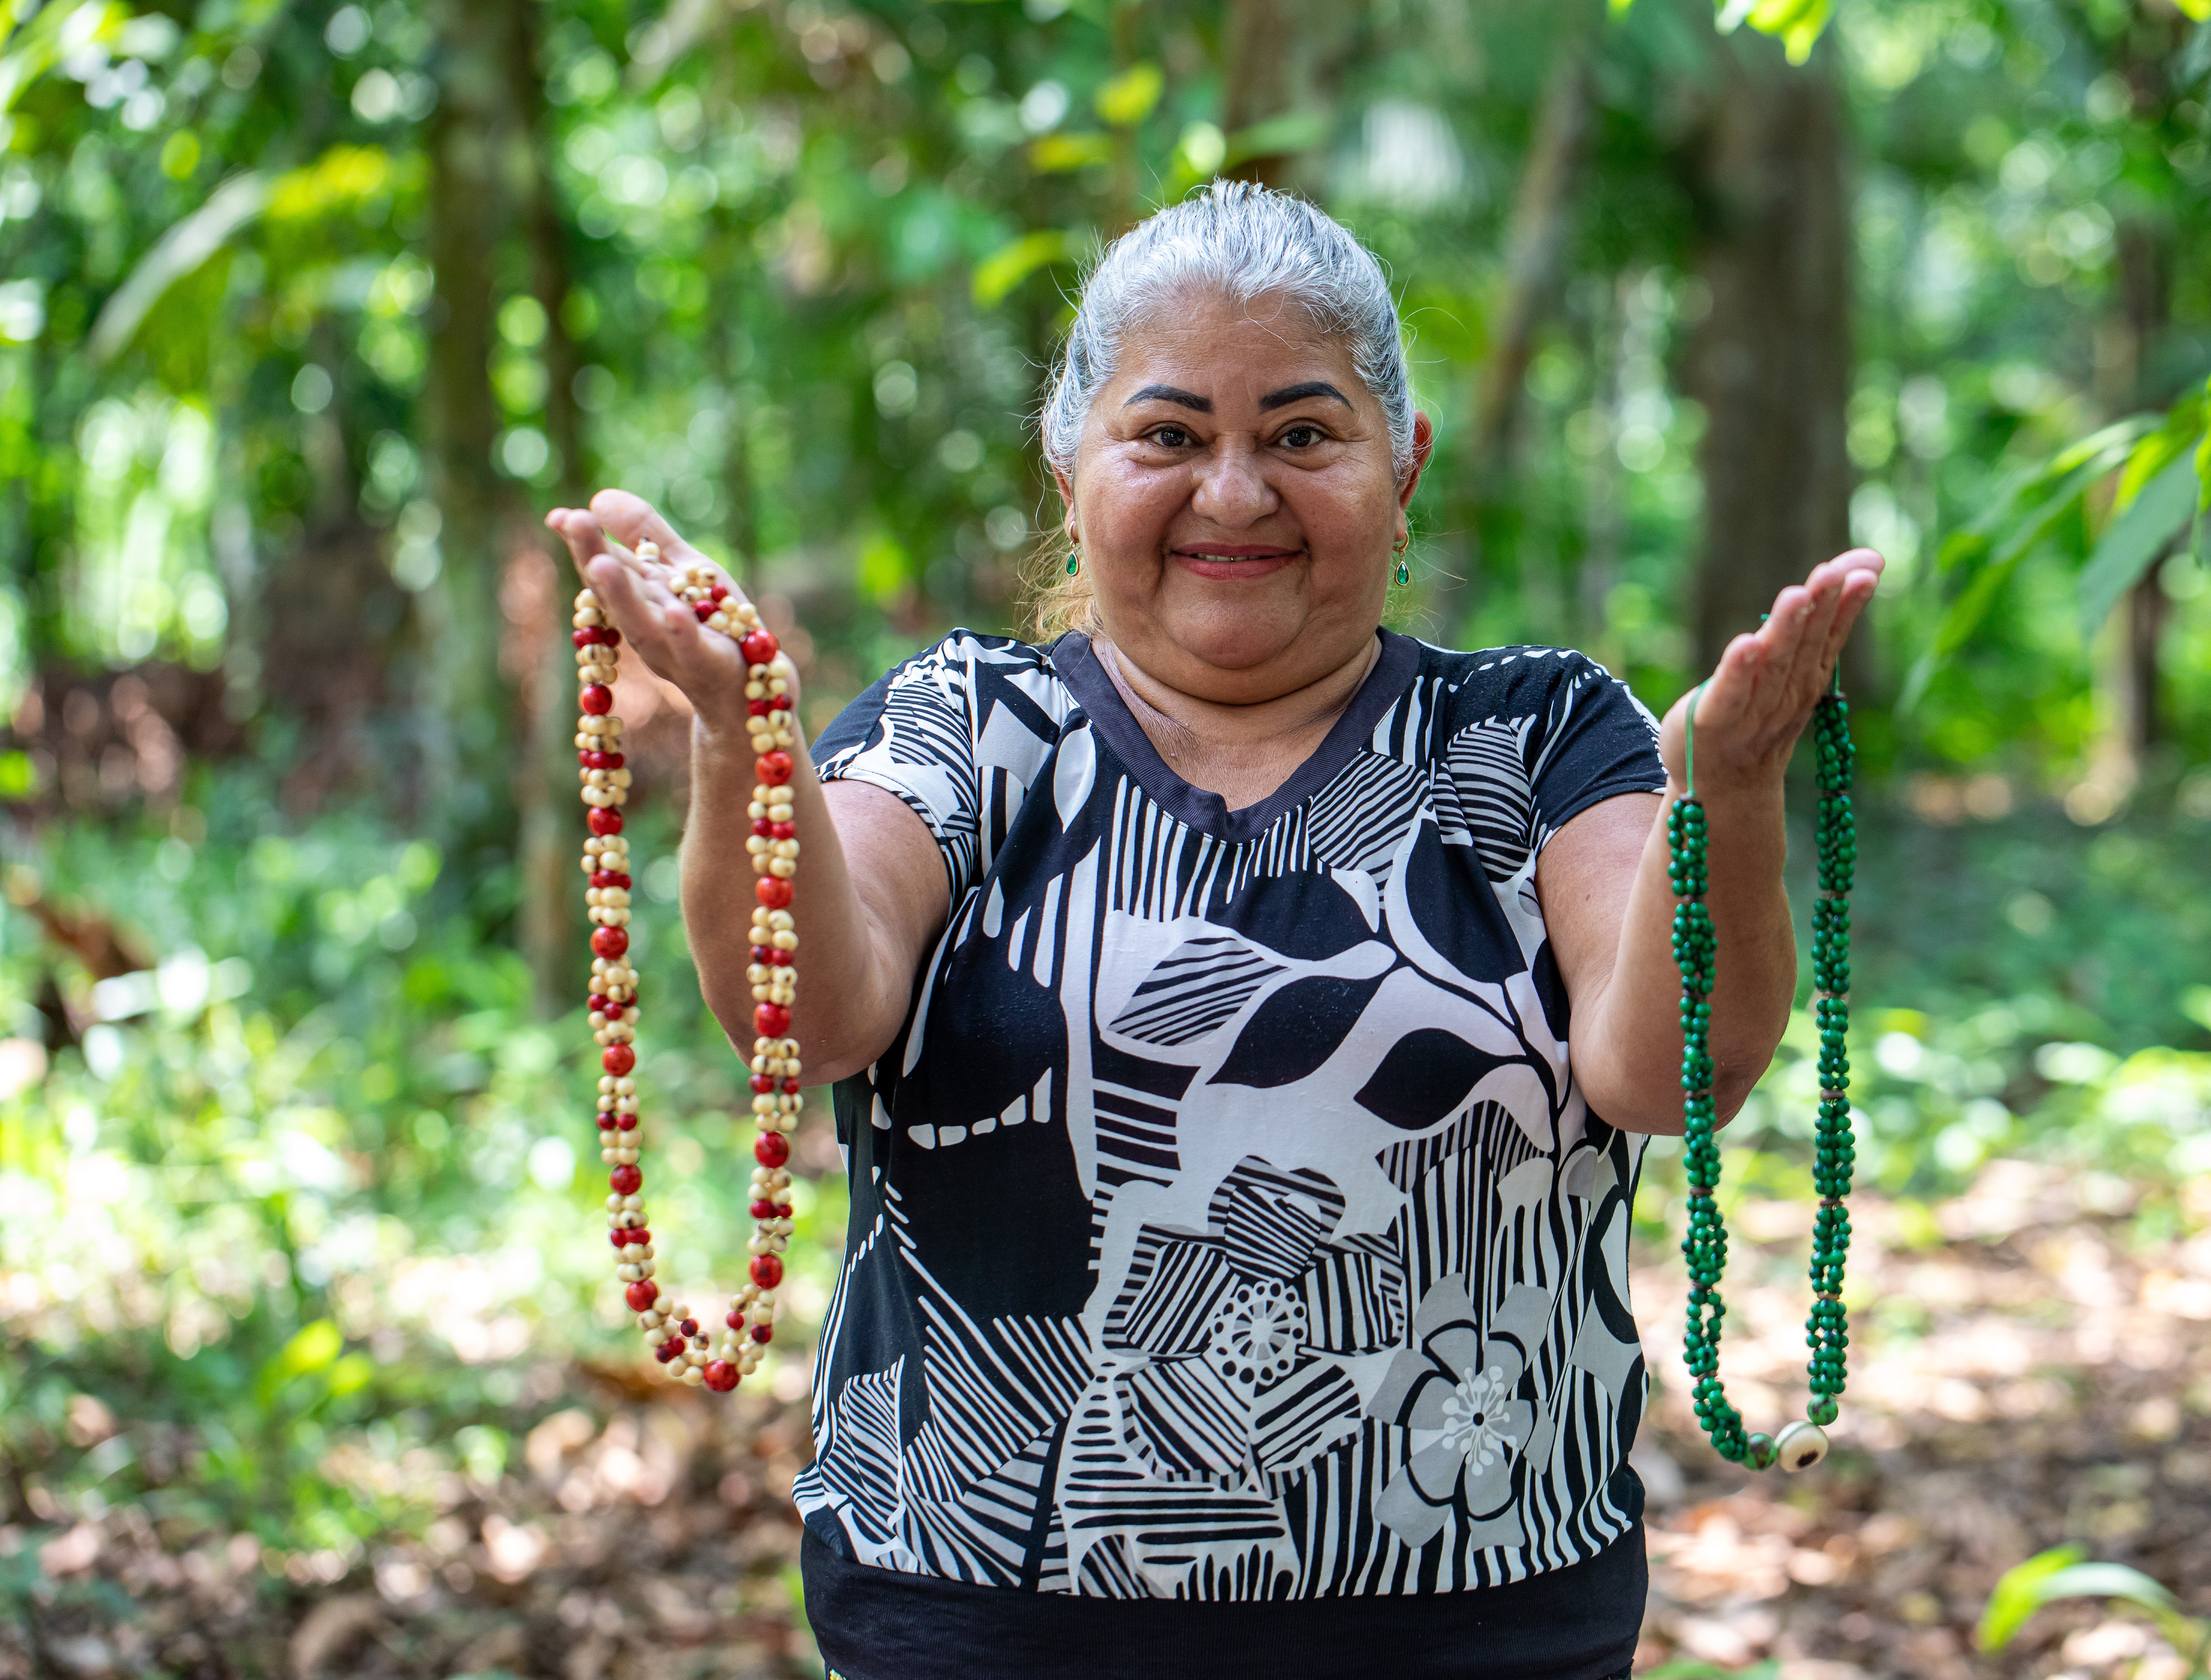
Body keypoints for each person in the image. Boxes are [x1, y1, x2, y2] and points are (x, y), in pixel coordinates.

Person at [546, 180, 1879, 1680]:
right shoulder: (963, 729)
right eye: (1169, 436)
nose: (1234, 494)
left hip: (1478, 1623)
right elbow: (810, 1010)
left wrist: (1733, 797)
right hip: (982, 1613)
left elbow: (1667, 1069)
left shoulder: (1535, 737)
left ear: (1403, 462)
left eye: (1303, 436)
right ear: (1071, 467)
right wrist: (746, 743)